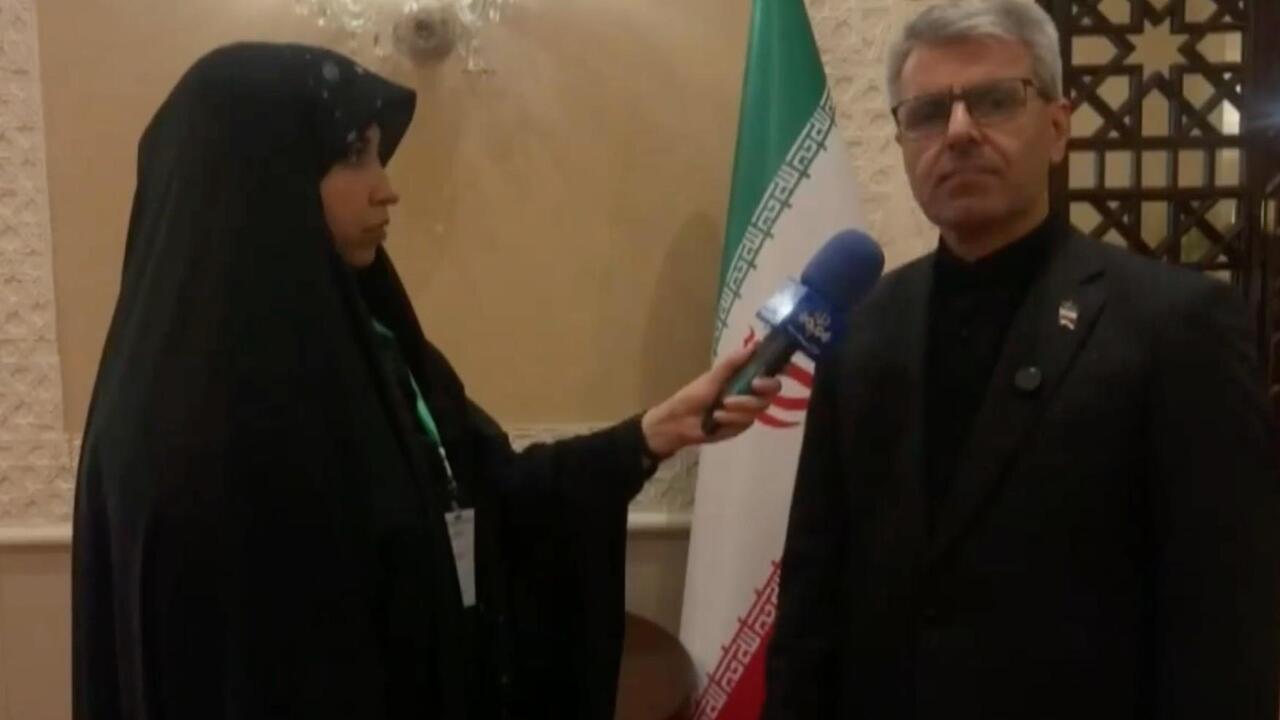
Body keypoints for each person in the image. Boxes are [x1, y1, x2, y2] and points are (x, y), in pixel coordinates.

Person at [72, 42, 779, 720]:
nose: (387, 188)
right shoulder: (186, 431)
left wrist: (651, 434)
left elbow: (484, 492)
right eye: (355, 155)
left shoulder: (375, 348)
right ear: (259, 177)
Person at [763, 1, 1280, 718]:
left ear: (1058, 127)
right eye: (927, 113)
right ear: (903, 140)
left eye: (996, 100)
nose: (959, 131)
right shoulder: (863, 326)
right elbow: (814, 596)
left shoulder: (1178, 325)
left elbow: (1225, 624)